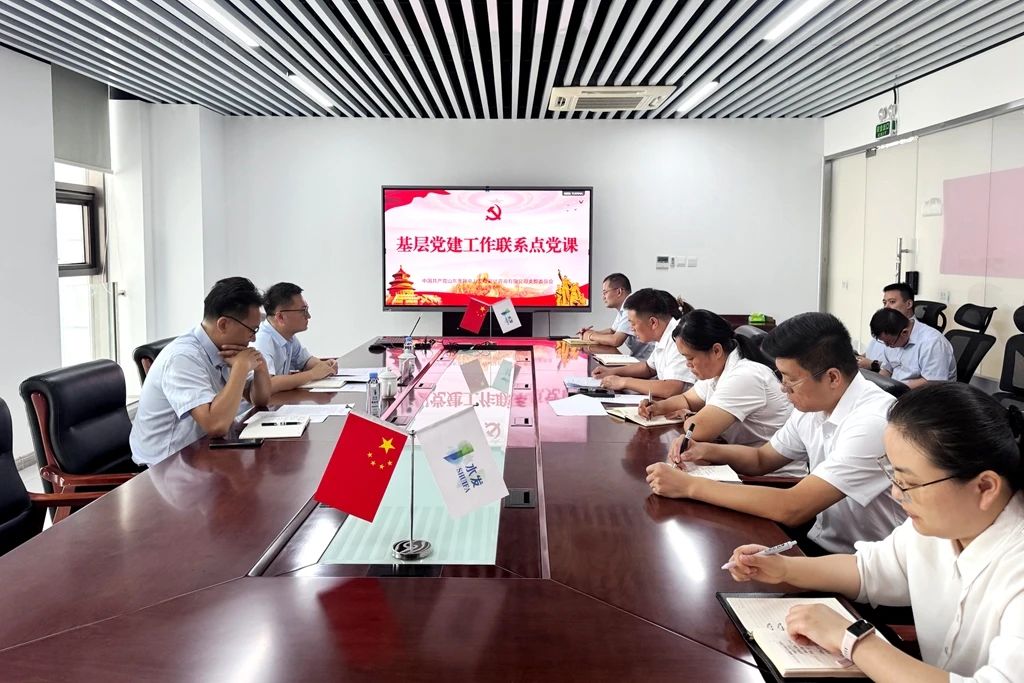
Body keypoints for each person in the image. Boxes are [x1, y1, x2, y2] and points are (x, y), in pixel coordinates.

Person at [725, 383, 1024, 681]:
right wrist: (783, 567)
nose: (895, 493)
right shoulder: (943, 524)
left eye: (909, 483)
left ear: (985, 487)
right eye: (894, 476)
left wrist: (853, 640)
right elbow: (867, 571)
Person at [645, 312, 904, 554]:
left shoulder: (871, 423)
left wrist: (689, 486)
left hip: (866, 560)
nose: (782, 388)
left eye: (790, 379)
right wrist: (707, 450)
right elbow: (762, 459)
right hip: (823, 535)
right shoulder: (813, 405)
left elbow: (794, 507)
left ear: (832, 378)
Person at [130, 277, 272, 467]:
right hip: (164, 466)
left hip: (202, 453)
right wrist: (240, 368)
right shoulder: (183, 358)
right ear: (223, 324)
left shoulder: (225, 348)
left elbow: (260, 400)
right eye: (252, 330)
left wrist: (260, 366)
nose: (253, 339)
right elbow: (216, 425)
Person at [638, 309, 792, 450]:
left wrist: (688, 416)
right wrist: (658, 407)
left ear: (716, 350)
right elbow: (687, 399)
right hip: (741, 457)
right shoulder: (717, 369)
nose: (687, 364)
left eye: (690, 358)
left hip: (770, 469)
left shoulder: (744, 376)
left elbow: (698, 431)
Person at [591, 288, 695, 399]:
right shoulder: (664, 334)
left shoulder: (678, 338)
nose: (632, 329)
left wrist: (624, 382)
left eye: (633, 323)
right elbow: (648, 368)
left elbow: (671, 388)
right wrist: (612, 372)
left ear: (653, 322)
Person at [254, 282, 337, 392]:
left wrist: (325, 366)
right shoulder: (262, 341)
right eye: (303, 311)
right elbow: (268, 385)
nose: (308, 316)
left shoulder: (287, 335)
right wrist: (312, 374)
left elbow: (306, 361)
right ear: (280, 317)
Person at [869, 307, 956, 387]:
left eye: (889, 343)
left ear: (904, 333)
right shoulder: (893, 337)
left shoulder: (933, 343)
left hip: (926, 393)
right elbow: (887, 370)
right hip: (897, 389)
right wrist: (877, 387)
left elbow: (932, 382)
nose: (887, 346)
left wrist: (896, 389)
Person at [576, 273, 655, 360]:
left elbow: (616, 340)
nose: (603, 297)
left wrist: (590, 336)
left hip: (648, 360)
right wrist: (590, 332)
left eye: (605, 292)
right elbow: (613, 331)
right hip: (640, 358)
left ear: (619, 292)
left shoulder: (631, 306)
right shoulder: (625, 306)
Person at [857, 282, 916, 372]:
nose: (886, 307)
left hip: (880, 374)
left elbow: (901, 368)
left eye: (892, 302)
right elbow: (875, 349)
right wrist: (860, 357)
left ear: (909, 304)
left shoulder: (910, 332)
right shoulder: (886, 323)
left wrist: (873, 364)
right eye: (885, 303)